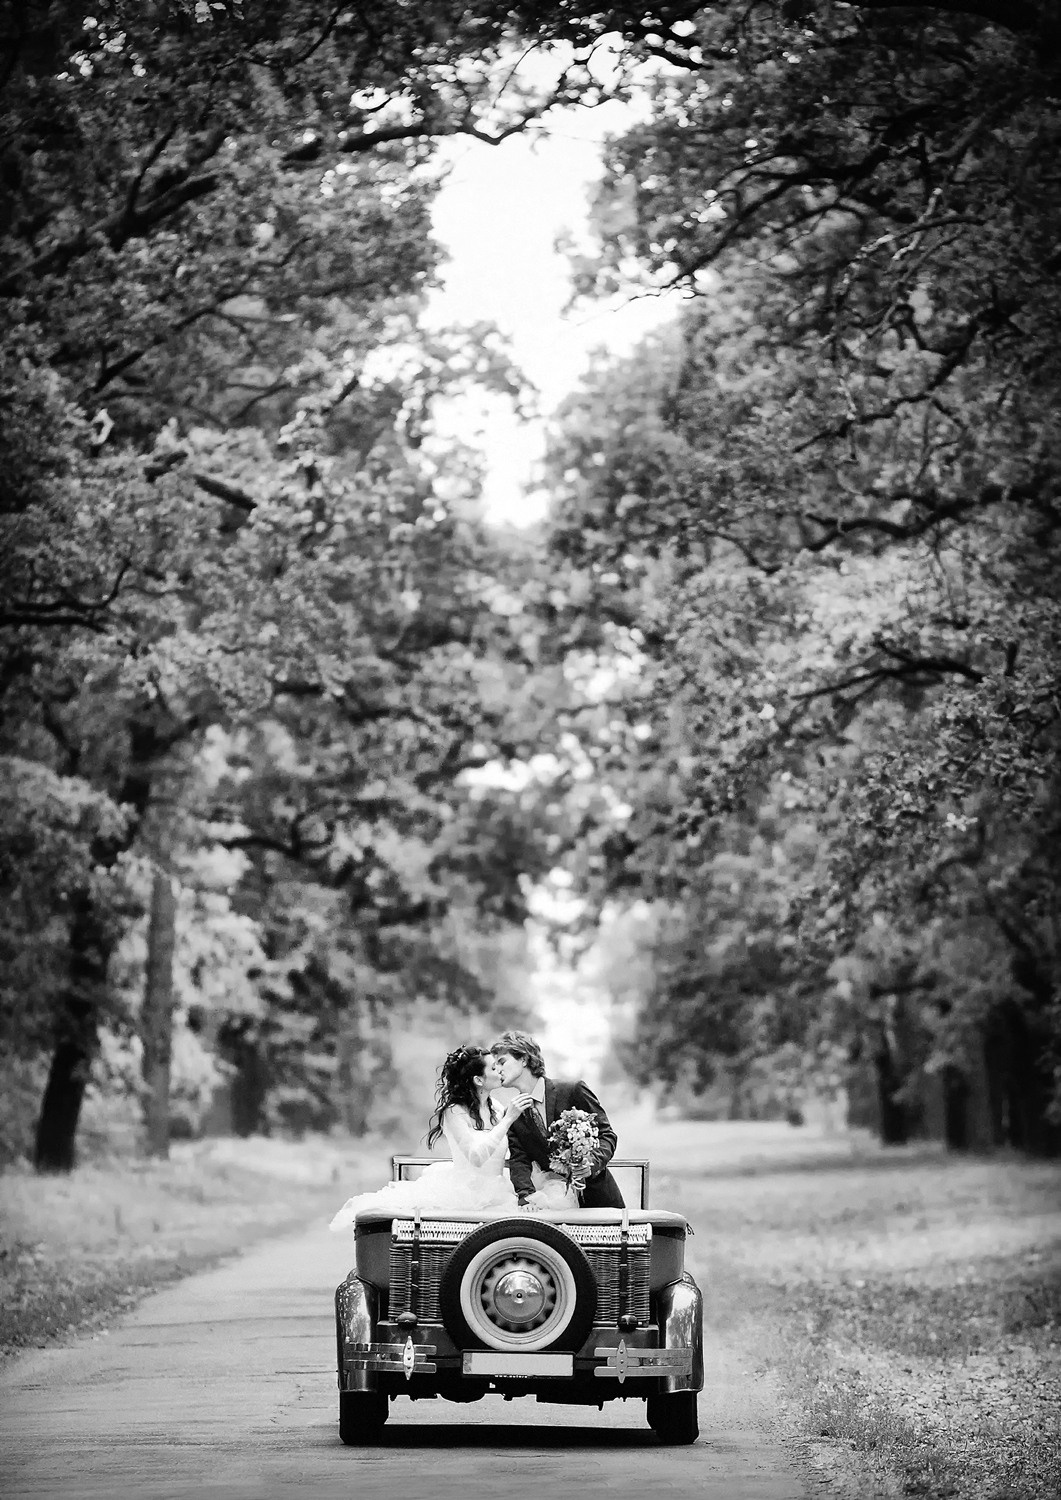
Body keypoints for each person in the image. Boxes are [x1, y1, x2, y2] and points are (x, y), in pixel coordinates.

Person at [328, 1045, 535, 1230]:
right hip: (467, 1195)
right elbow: (476, 1157)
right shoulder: (454, 1112)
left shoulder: (497, 1109)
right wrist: (508, 1120)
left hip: (500, 1190)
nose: (499, 1071)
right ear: (478, 1080)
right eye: (492, 1068)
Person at [490, 1030, 625, 1211]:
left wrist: (591, 1163)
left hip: (597, 1197)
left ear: (523, 1059)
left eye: (502, 1062)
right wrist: (527, 1196)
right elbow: (519, 1160)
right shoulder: (512, 1113)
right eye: (494, 1065)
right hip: (553, 1205)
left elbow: (607, 1134)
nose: (497, 1070)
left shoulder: (572, 1090)